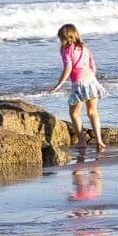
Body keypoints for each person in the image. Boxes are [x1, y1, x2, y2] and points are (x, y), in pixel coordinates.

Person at [49, 22, 104, 152]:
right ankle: (99, 140)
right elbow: (93, 67)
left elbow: (68, 68)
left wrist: (59, 84)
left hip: (79, 83)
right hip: (92, 81)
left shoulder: (66, 50)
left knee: (74, 113)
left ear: (64, 38)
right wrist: (91, 77)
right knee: (92, 112)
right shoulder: (84, 47)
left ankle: (81, 141)